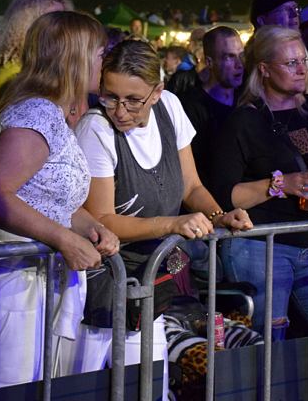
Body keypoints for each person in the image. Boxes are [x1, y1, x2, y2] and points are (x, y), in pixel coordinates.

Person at [0, 11, 119, 392]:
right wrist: (65, 240)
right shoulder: (35, 112)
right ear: (74, 58)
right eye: (100, 53)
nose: (104, 63)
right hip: (10, 283)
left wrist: (90, 226)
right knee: (4, 387)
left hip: (33, 281)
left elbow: (47, 196)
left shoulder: (52, 112)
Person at [70, 40, 251, 396]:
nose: (119, 111)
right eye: (109, 96)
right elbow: (102, 217)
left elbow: (191, 185)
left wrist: (219, 215)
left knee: (148, 388)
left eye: (132, 100)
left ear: (157, 92)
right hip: (100, 285)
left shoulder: (170, 108)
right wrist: (170, 224)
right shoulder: (96, 129)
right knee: (81, 387)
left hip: (148, 281)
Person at [209, 25, 308, 340]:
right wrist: (280, 184)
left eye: (304, 61)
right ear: (264, 69)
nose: (301, 70)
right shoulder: (243, 121)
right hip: (261, 246)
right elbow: (222, 196)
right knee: (266, 346)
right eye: (290, 63)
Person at [180, 26, 245, 184]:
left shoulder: (246, 101)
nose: (239, 64)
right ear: (209, 62)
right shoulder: (192, 108)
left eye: (241, 55)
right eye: (229, 57)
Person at [0, 0, 74, 104]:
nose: (61, 29)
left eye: (64, 20)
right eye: (52, 20)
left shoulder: (53, 67)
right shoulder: (14, 76)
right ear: (26, 25)